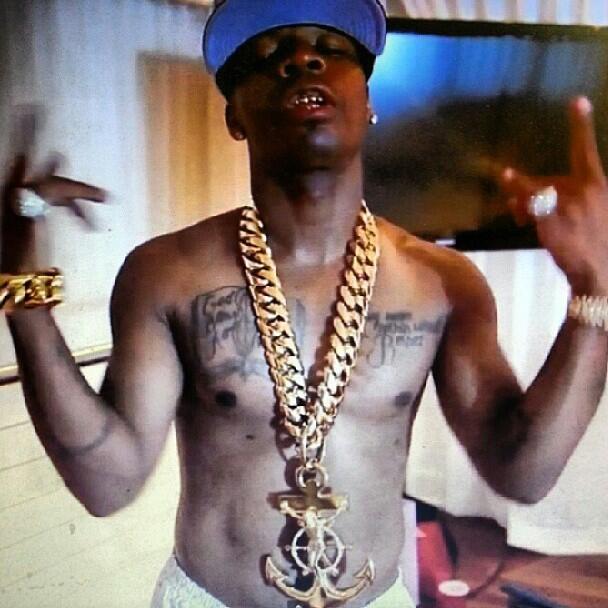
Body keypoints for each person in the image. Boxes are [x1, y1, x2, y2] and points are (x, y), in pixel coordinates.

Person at [2, 1, 608, 606]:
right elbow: (106, 485)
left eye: (331, 47)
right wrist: (22, 290)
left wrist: (596, 285)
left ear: (368, 101)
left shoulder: (444, 284)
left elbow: (524, 473)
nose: (301, 58)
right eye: (267, 53)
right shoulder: (167, 274)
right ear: (234, 115)